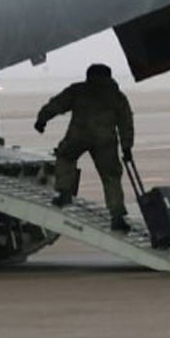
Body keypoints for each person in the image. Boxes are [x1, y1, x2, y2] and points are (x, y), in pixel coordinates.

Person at [35, 64, 134, 233]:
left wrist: (42, 119)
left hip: (78, 135)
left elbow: (57, 104)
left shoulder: (79, 90)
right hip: (105, 141)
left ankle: (65, 193)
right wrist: (126, 147)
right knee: (110, 176)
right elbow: (126, 123)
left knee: (65, 157)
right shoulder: (117, 96)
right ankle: (117, 215)